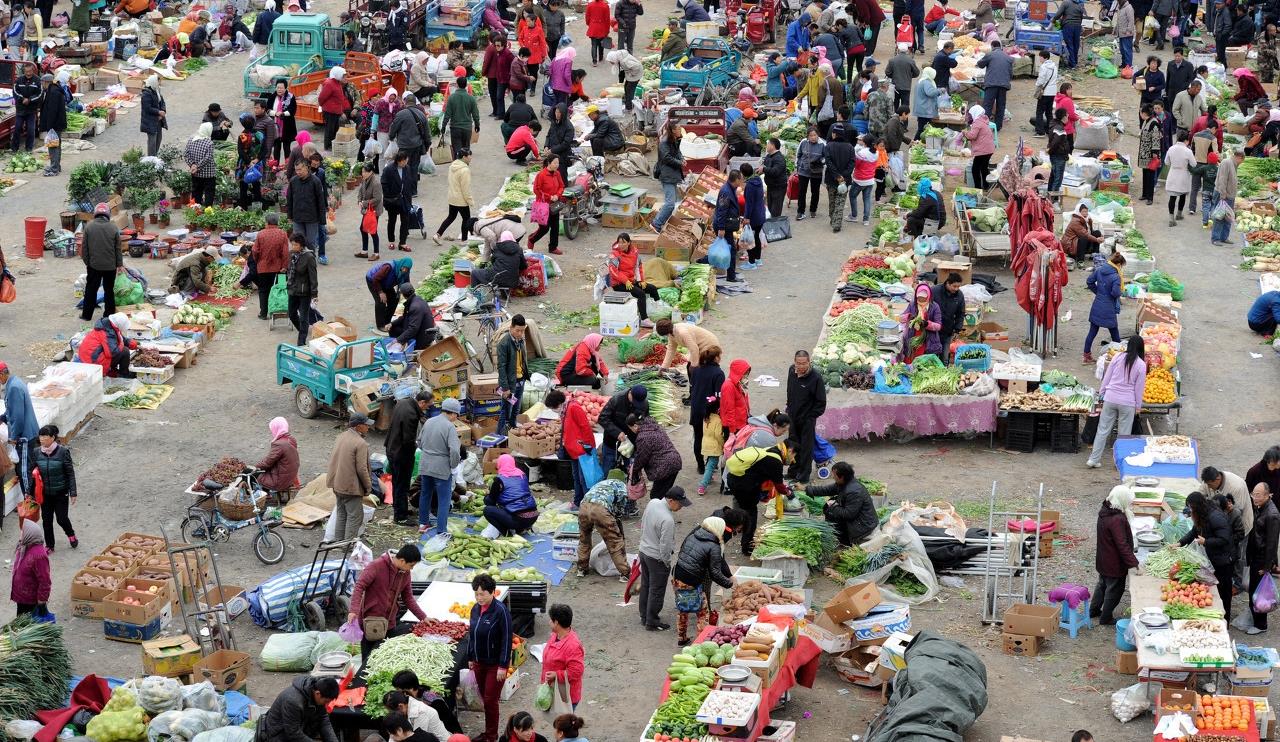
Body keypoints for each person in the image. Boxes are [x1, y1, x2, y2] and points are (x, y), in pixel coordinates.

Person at [348, 543, 427, 665]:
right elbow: (359, 587)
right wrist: (354, 610)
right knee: (368, 659)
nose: (411, 569)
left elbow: (408, 598)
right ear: (402, 561)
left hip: (390, 621)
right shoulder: (376, 566)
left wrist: (423, 617)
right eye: (411, 565)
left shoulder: (405, 573)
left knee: (386, 657)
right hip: (370, 621)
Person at [673, 516, 735, 646]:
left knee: (682, 607)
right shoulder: (714, 546)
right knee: (702, 612)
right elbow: (715, 573)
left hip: (678, 575)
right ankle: (701, 642)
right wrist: (729, 584)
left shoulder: (693, 535)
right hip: (692, 580)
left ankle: (681, 638)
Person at [1086, 335, 1146, 468]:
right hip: (1128, 402)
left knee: (1102, 430)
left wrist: (1102, 392)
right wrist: (1138, 406)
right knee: (1124, 435)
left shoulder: (1118, 357)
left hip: (1110, 398)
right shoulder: (1141, 365)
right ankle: (1119, 463)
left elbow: (1107, 376)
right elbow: (1139, 388)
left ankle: (1093, 459)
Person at [467, 572, 513, 742]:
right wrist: (471, 657)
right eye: (476, 594)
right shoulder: (475, 609)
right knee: (484, 698)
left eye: (483, 594)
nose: (479, 598)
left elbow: (507, 639)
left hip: (495, 665)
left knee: (490, 700)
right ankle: (488, 732)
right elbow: (472, 635)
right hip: (479, 662)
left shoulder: (501, 611)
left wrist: (503, 665)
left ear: (493, 592)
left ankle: (491, 735)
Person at [1179, 492, 1237, 622]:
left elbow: (1224, 539)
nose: (1190, 510)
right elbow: (1194, 532)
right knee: (1214, 592)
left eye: (1191, 507)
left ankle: (1225, 621)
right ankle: (1216, 619)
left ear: (1197, 506)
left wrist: (1206, 541)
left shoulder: (1215, 517)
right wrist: (1180, 543)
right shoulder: (1202, 514)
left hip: (1224, 560)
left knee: (1224, 593)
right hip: (1214, 558)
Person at [638, 486, 689, 630]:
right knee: (657, 590)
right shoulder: (667, 520)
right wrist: (666, 562)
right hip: (657, 558)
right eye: (680, 504)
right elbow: (665, 546)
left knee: (646, 585)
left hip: (644, 551)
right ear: (671, 500)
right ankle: (652, 621)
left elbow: (643, 524)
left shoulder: (653, 502)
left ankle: (644, 616)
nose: (681, 507)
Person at [726, 444, 789, 556]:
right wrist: (789, 493)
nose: (792, 459)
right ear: (790, 450)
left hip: (733, 479)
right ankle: (747, 547)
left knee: (742, 507)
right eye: (793, 455)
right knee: (750, 515)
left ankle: (734, 528)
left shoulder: (768, 450)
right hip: (744, 486)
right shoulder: (776, 461)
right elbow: (780, 487)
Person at [1090, 485, 1139, 625]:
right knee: (1114, 590)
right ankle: (1106, 617)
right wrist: (1134, 563)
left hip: (1103, 558)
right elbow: (1122, 544)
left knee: (1102, 585)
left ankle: (1093, 610)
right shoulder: (1117, 519)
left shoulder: (1105, 511)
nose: (1129, 503)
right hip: (1114, 562)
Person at [1201, 465, 1254, 586]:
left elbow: (1237, 511)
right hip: (1223, 525)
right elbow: (1201, 493)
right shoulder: (1208, 482)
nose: (1208, 487)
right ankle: (1227, 577)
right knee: (1226, 552)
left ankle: (1238, 583)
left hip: (1240, 525)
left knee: (1238, 555)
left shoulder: (1236, 487)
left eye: (1210, 485)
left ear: (1217, 480)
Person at [418, 397, 462, 535]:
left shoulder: (429, 421)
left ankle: (423, 523)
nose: (456, 417)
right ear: (453, 413)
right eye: (456, 414)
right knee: (444, 499)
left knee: (425, 494)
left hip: (425, 464)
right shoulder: (449, 427)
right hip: (441, 467)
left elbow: (419, 442)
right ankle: (441, 531)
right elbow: (454, 451)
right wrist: (453, 465)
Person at [386, 391, 432, 525]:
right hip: (401, 454)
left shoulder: (404, 402)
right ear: (422, 402)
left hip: (392, 447)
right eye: (428, 405)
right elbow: (408, 440)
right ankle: (401, 517)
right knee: (402, 484)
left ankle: (400, 509)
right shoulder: (411, 415)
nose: (428, 408)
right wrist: (419, 446)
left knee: (397, 482)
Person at [28, 425, 76, 551]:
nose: (42, 439)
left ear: (53, 437)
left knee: (62, 519)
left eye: (45, 436)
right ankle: (50, 546)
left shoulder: (63, 452)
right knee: (46, 520)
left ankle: (71, 534)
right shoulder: (36, 452)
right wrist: (29, 492)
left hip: (61, 492)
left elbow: (70, 473)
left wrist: (73, 492)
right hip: (44, 493)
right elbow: (32, 473)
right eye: (41, 436)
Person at [576, 469, 631, 578]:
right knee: (614, 542)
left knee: (584, 539)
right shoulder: (621, 486)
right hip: (600, 509)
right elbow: (618, 513)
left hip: (584, 507)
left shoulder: (600, 484)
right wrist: (619, 533)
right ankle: (625, 573)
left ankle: (582, 569)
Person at [807, 461, 876, 545]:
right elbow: (826, 490)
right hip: (856, 519)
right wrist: (807, 489)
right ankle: (843, 539)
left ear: (842, 477)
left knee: (832, 513)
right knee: (831, 512)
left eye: (834, 475)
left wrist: (833, 506)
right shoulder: (844, 483)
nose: (833, 477)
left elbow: (848, 514)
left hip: (863, 526)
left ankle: (847, 541)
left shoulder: (854, 492)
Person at [327, 413, 372, 540]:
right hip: (350, 487)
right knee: (354, 517)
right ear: (358, 426)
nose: (368, 427)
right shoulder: (360, 443)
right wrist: (368, 486)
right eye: (366, 425)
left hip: (337, 484)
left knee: (342, 514)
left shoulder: (341, 436)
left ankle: (338, 543)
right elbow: (362, 469)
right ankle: (347, 546)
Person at [254, 676, 340, 742]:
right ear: (318, 693)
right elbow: (293, 733)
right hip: (279, 734)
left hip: (298, 726)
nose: (326, 704)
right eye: (326, 701)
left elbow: (323, 719)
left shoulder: (317, 691)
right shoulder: (293, 701)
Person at [785, 350, 826, 484]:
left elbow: (821, 403)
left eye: (804, 363)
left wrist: (810, 417)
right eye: (798, 363)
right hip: (792, 416)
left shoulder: (816, 378)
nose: (801, 366)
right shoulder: (792, 371)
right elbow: (789, 390)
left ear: (809, 362)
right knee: (792, 445)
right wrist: (789, 407)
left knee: (806, 448)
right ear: (794, 362)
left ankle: (803, 475)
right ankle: (792, 472)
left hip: (807, 420)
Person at [79, 203, 123, 322]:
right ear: (107, 214)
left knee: (91, 290)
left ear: (95, 213)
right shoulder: (114, 228)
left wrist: (88, 263)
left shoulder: (89, 227)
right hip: (110, 266)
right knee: (109, 290)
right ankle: (108, 315)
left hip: (94, 266)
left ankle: (86, 315)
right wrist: (119, 264)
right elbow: (118, 248)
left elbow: (84, 249)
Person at [1246, 483, 1279, 633]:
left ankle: (1261, 625)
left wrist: (1267, 567)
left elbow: (1272, 543)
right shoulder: (1260, 507)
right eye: (1254, 494)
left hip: (1262, 559)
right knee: (1253, 590)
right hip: (1256, 556)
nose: (1255, 498)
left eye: (1258, 495)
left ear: (1267, 495)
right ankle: (1255, 619)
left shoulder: (1272, 515)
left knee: (1260, 592)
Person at [540, 604, 586, 711]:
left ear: (556, 622)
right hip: (554, 692)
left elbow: (576, 672)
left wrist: (557, 675)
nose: (549, 622)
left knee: (563, 721)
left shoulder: (573, 646)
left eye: (551, 620)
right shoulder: (556, 635)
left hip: (565, 697)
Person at [244, 212, 288, 321]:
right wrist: (284, 266)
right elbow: (285, 253)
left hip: (263, 268)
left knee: (263, 290)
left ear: (267, 222)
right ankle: (279, 311)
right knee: (280, 289)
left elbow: (255, 251)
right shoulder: (283, 234)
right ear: (277, 222)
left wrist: (258, 261)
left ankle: (263, 313)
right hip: (279, 269)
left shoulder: (261, 234)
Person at [629, 413, 682, 501]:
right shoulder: (655, 427)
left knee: (656, 497)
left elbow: (642, 458)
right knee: (664, 493)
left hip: (664, 466)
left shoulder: (643, 437)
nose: (632, 431)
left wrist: (634, 471)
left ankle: (663, 508)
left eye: (630, 428)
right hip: (675, 461)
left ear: (635, 426)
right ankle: (667, 506)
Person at [1084, 251, 1125, 363]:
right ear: (1118, 264)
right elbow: (1115, 293)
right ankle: (1120, 358)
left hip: (1097, 305)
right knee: (1115, 333)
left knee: (1092, 332)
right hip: (1108, 308)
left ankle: (1086, 356)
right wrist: (1118, 294)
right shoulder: (1116, 277)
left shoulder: (1100, 269)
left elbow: (1089, 281)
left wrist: (1098, 292)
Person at [485, 454, 539, 535]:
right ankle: (520, 529)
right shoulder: (522, 475)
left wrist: (488, 495)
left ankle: (507, 533)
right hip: (533, 516)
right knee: (511, 506)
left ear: (499, 464)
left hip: (519, 519)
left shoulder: (499, 480)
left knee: (488, 510)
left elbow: (490, 502)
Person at [599, 384, 645, 473]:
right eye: (634, 401)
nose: (635, 404)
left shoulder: (643, 404)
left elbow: (645, 420)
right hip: (612, 442)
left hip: (631, 444)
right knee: (608, 470)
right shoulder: (617, 400)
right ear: (630, 393)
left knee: (631, 471)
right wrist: (617, 432)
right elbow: (603, 418)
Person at [435, 148, 476, 243]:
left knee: (451, 217)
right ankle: (464, 240)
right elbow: (465, 188)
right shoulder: (465, 170)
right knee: (466, 219)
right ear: (464, 157)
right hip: (461, 200)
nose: (471, 158)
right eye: (469, 156)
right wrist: (470, 200)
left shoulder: (452, 166)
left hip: (452, 197)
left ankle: (437, 235)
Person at [286, 158, 326, 256]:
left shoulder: (315, 181)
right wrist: (289, 216)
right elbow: (289, 199)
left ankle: (311, 260)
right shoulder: (293, 181)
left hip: (312, 219)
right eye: (296, 170)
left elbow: (321, 201)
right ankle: (299, 261)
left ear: (307, 168)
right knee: (298, 242)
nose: (298, 172)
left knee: (310, 243)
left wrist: (322, 220)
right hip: (297, 218)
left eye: (300, 169)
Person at [77, 313, 136, 379]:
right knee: (125, 351)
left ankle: (112, 370)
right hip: (92, 362)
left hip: (90, 356)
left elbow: (120, 338)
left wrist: (134, 344)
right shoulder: (107, 333)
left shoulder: (109, 325)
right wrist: (121, 344)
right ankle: (123, 374)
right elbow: (112, 352)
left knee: (120, 348)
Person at [652, 120, 686, 233]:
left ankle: (662, 222)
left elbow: (678, 152)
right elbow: (666, 158)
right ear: (673, 130)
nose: (680, 130)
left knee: (673, 201)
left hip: (673, 174)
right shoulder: (664, 142)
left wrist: (681, 159)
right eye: (679, 128)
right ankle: (656, 223)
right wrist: (679, 163)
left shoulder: (675, 140)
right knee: (670, 203)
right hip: (667, 175)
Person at [11, 519, 49, 616]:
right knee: (20, 618)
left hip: (30, 600)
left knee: (27, 622)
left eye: (23, 531)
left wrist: (42, 601)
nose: (21, 534)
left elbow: (45, 581)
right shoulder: (24, 546)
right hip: (21, 596)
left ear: (30, 534)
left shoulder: (39, 555)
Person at [286, 233, 318, 346]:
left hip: (305, 291)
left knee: (304, 317)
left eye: (296, 245)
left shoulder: (309, 257)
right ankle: (302, 330)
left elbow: (313, 277)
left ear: (301, 245)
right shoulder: (292, 254)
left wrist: (314, 294)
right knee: (291, 314)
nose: (293, 247)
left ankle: (301, 341)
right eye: (292, 244)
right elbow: (290, 270)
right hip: (293, 289)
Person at [529, 154, 566, 255]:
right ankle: (531, 239)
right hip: (543, 205)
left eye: (558, 163)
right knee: (544, 228)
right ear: (549, 163)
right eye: (555, 163)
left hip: (554, 204)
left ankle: (553, 247)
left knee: (555, 226)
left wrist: (557, 195)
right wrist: (549, 197)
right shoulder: (541, 175)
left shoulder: (557, 173)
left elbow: (562, 186)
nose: (557, 165)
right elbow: (536, 190)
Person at [255, 416, 299, 498]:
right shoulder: (291, 439)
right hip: (291, 477)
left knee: (254, 474)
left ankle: (263, 495)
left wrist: (256, 467)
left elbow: (267, 463)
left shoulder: (279, 444)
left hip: (280, 481)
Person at [441, 69, 481, 159]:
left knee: (456, 151)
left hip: (455, 128)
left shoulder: (451, 98)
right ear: (466, 85)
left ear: (457, 85)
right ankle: (464, 165)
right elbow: (475, 114)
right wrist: (477, 125)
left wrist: (443, 126)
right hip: (467, 128)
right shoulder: (471, 98)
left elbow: (447, 114)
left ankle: (457, 164)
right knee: (466, 151)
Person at [713, 169, 744, 281]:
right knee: (730, 250)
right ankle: (731, 276)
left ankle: (731, 274)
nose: (742, 181)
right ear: (736, 179)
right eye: (741, 179)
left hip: (727, 225)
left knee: (729, 250)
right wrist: (721, 228)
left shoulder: (731, 189)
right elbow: (722, 210)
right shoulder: (726, 192)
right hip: (724, 226)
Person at [367, 258, 414, 333]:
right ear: (401, 265)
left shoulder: (406, 272)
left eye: (407, 269)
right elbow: (375, 279)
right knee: (381, 301)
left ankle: (386, 321)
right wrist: (381, 292)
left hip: (386, 283)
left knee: (394, 300)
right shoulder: (388, 267)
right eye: (404, 267)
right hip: (374, 281)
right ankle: (380, 325)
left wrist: (411, 297)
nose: (404, 270)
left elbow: (407, 284)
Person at [382, 151, 414, 255]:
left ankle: (402, 243)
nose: (406, 163)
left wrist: (409, 195)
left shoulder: (407, 168)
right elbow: (384, 183)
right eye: (405, 161)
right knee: (392, 220)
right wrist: (389, 195)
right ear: (400, 161)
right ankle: (391, 241)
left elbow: (409, 182)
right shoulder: (389, 169)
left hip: (405, 199)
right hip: (393, 200)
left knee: (405, 221)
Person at [901, 283, 942, 362]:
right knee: (911, 361)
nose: (921, 300)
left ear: (928, 296)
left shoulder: (934, 307)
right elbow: (901, 318)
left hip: (928, 340)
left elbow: (938, 326)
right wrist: (909, 316)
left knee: (924, 363)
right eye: (919, 298)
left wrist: (927, 324)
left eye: (923, 298)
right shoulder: (912, 305)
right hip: (913, 337)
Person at [929, 273, 966, 361]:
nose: (956, 289)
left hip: (947, 330)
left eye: (958, 286)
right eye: (954, 286)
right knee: (931, 357)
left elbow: (960, 313)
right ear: (948, 283)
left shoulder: (959, 295)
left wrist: (957, 329)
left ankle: (945, 366)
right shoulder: (934, 291)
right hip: (932, 331)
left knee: (945, 357)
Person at [976, 41, 1012, 128]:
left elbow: (980, 64)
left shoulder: (990, 54)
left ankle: (985, 125)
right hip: (1004, 85)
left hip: (991, 84)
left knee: (988, 105)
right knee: (1001, 105)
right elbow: (1011, 73)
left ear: (992, 46)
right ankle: (998, 126)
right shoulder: (1008, 57)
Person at [390, 284, 436, 351]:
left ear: (403, 295)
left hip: (423, 338)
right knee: (393, 326)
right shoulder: (417, 299)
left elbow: (413, 329)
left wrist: (398, 340)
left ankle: (400, 346)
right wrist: (391, 323)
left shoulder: (415, 307)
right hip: (422, 331)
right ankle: (400, 343)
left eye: (400, 293)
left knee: (394, 330)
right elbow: (404, 317)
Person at [36, 73, 64, 176]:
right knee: (56, 145)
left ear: (46, 82)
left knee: (53, 146)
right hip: (56, 123)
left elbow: (52, 111)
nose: (42, 84)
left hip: (54, 124)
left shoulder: (53, 92)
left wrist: (49, 126)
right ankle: (56, 166)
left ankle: (54, 169)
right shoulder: (52, 90)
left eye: (42, 82)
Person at [795, 127, 825, 221]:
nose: (813, 137)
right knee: (802, 191)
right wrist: (798, 166)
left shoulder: (822, 144)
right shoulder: (804, 142)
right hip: (803, 171)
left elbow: (826, 157)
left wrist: (821, 161)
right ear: (807, 136)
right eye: (810, 135)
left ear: (818, 135)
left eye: (814, 135)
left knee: (815, 191)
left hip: (816, 171)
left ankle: (813, 210)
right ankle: (800, 211)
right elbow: (798, 155)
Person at [1213, 147, 1242, 244]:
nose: (1241, 163)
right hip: (1223, 194)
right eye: (1241, 161)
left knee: (1228, 217)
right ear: (1239, 157)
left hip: (1230, 196)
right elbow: (1222, 179)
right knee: (1219, 216)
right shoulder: (1226, 163)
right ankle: (1215, 239)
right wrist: (1223, 195)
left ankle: (1224, 237)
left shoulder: (1234, 164)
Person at [185, 123, 218, 208]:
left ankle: (195, 210)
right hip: (208, 174)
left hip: (195, 173)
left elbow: (186, 154)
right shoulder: (209, 143)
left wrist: (192, 165)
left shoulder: (191, 140)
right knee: (209, 192)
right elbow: (208, 158)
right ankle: (208, 211)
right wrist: (198, 166)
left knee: (196, 192)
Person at [963, 105, 995, 191]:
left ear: (975, 113)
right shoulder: (983, 120)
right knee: (984, 167)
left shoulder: (977, 122)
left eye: (971, 114)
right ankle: (986, 186)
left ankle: (978, 188)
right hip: (989, 149)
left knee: (975, 169)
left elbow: (972, 136)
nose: (970, 116)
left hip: (983, 150)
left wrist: (965, 133)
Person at [719, 358, 751, 439]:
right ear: (738, 373)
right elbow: (729, 410)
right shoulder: (728, 386)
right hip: (733, 428)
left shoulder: (740, 384)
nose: (746, 376)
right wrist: (732, 431)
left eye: (747, 374)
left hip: (741, 424)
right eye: (745, 373)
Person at [483, 36, 514, 119]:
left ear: (503, 45)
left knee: (509, 97)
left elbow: (513, 65)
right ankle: (501, 114)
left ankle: (512, 113)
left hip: (506, 79)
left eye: (498, 45)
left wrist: (510, 76)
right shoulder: (498, 53)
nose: (496, 47)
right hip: (500, 78)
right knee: (499, 97)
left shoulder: (508, 54)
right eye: (495, 45)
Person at [1030, 51, 1060, 137]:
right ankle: (1050, 130)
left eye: (1040, 57)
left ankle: (1040, 131)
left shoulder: (1044, 67)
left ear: (1044, 57)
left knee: (1039, 112)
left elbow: (1041, 80)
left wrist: (1037, 85)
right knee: (1049, 112)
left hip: (1045, 92)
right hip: (1052, 92)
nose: (1039, 58)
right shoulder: (1054, 66)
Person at [10, 63, 38, 154]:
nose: (28, 73)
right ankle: (14, 148)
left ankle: (29, 148)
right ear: (24, 71)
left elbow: (39, 94)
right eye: (26, 72)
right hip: (20, 109)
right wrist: (22, 99)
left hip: (31, 109)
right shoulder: (19, 80)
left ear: (33, 71)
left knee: (30, 130)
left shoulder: (37, 80)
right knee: (17, 128)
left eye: (30, 71)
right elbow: (15, 91)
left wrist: (29, 100)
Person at [1138, 106, 1162, 205]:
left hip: (1151, 154)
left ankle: (1150, 197)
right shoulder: (1146, 121)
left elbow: (1156, 139)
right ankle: (1144, 194)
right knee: (1145, 174)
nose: (1140, 114)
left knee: (1150, 176)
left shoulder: (1154, 123)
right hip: (1145, 153)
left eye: (1141, 112)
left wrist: (1155, 154)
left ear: (1144, 113)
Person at [761, 138, 789, 220]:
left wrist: (764, 169)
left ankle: (775, 225)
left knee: (775, 211)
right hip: (771, 186)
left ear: (773, 146)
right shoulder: (768, 156)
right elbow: (765, 166)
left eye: (768, 144)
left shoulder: (779, 158)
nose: (766, 146)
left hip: (778, 188)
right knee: (770, 207)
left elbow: (776, 171)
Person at [1047, 109, 1073, 195]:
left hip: (1056, 155)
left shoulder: (1054, 125)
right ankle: (1053, 199)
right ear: (1064, 117)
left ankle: (1049, 197)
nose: (1068, 118)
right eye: (1067, 116)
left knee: (1053, 177)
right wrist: (1050, 150)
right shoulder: (1059, 128)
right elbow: (1056, 142)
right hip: (1059, 156)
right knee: (1057, 179)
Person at [139, 75, 167, 156]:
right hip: (150, 121)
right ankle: (151, 158)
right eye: (158, 82)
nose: (159, 83)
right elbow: (147, 108)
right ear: (154, 82)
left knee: (159, 139)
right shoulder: (146, 94)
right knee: (152, 141)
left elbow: (162, 102)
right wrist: (158, 112)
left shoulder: (157, 90)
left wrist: (163, 111)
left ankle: (155, 156)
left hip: (158, 120)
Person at [584, 0, 610, 64]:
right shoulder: (605, 6)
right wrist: (607, 30)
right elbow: (607, 19)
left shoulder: (590, 5)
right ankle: (601, 57)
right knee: (601, 43)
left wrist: (589, 24)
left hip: (593, 26)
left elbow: (587, 16)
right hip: (602, 27)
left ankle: (594, 61)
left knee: (594, 44)